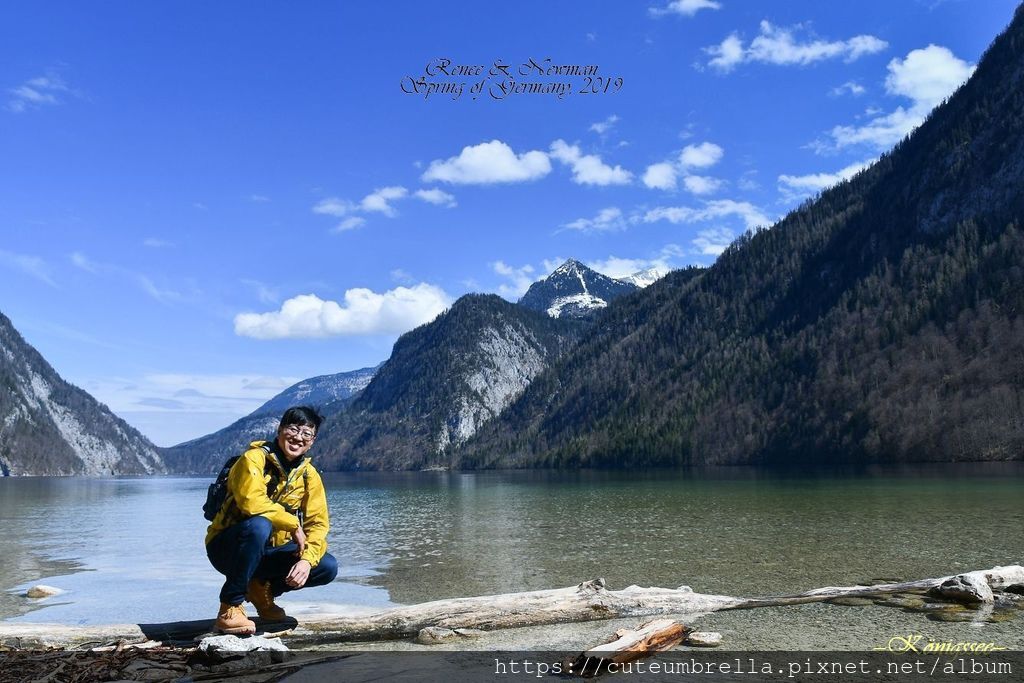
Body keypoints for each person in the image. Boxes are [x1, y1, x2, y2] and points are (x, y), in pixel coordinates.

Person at [205, 406, 338, 634]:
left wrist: (306, 560)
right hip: (228, 548)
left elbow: (318, 524)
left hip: (266, 553)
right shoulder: (253, 459)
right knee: (260, 525)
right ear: (280, 429)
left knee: (326, 566)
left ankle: (261, 589)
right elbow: (251, 502)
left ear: (312, 441)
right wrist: (292, 523)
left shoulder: (309, 475)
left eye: (306, 434)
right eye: (293, 429)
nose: (298, 437)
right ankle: (230, 606)